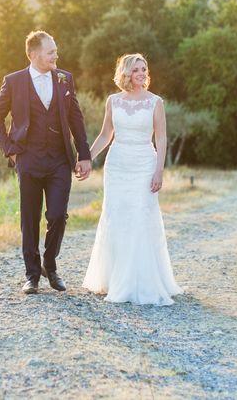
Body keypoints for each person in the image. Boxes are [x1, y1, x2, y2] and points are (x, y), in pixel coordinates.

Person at [0, 30, 92, 294]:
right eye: (51, 52)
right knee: (29, 218)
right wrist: (10, 150)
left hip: (59, 159)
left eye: (55, 51)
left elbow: (76, 119)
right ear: (34, 55)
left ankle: (50, 262)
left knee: (58, 215)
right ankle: (32, 275)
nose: (56, 55)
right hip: (28, 159)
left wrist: (84, 155)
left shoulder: (64, 79)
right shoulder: (13, 82)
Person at [82, 53, 183, 305]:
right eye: (136, 69)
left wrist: (159, 170)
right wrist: (87, 158)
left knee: (139, 215)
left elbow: (161, 138)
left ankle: (140, 282)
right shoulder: (113, 101)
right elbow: (106, 135)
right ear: (126, 73)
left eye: (144, 69)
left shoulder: (155, 102)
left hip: (144, 165)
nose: (141, 73)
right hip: (116, 165)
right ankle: (114, 279)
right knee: (116, 217)